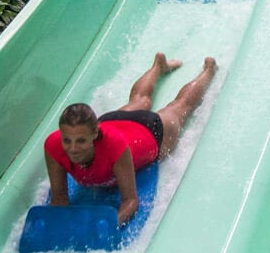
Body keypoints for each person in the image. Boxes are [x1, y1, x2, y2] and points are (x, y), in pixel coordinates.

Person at [44, 53, 217, 226]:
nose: (72, 148)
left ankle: (209, 69)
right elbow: (59, 198)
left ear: (94, 134)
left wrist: (111, 225)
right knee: (139, 99)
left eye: (81, 141)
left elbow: (130, 202)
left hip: (148, 132)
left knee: (180, 106)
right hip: (113, 121)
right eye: (67, 140)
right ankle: (158, 65)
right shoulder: (54, 145)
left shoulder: (114, 146)